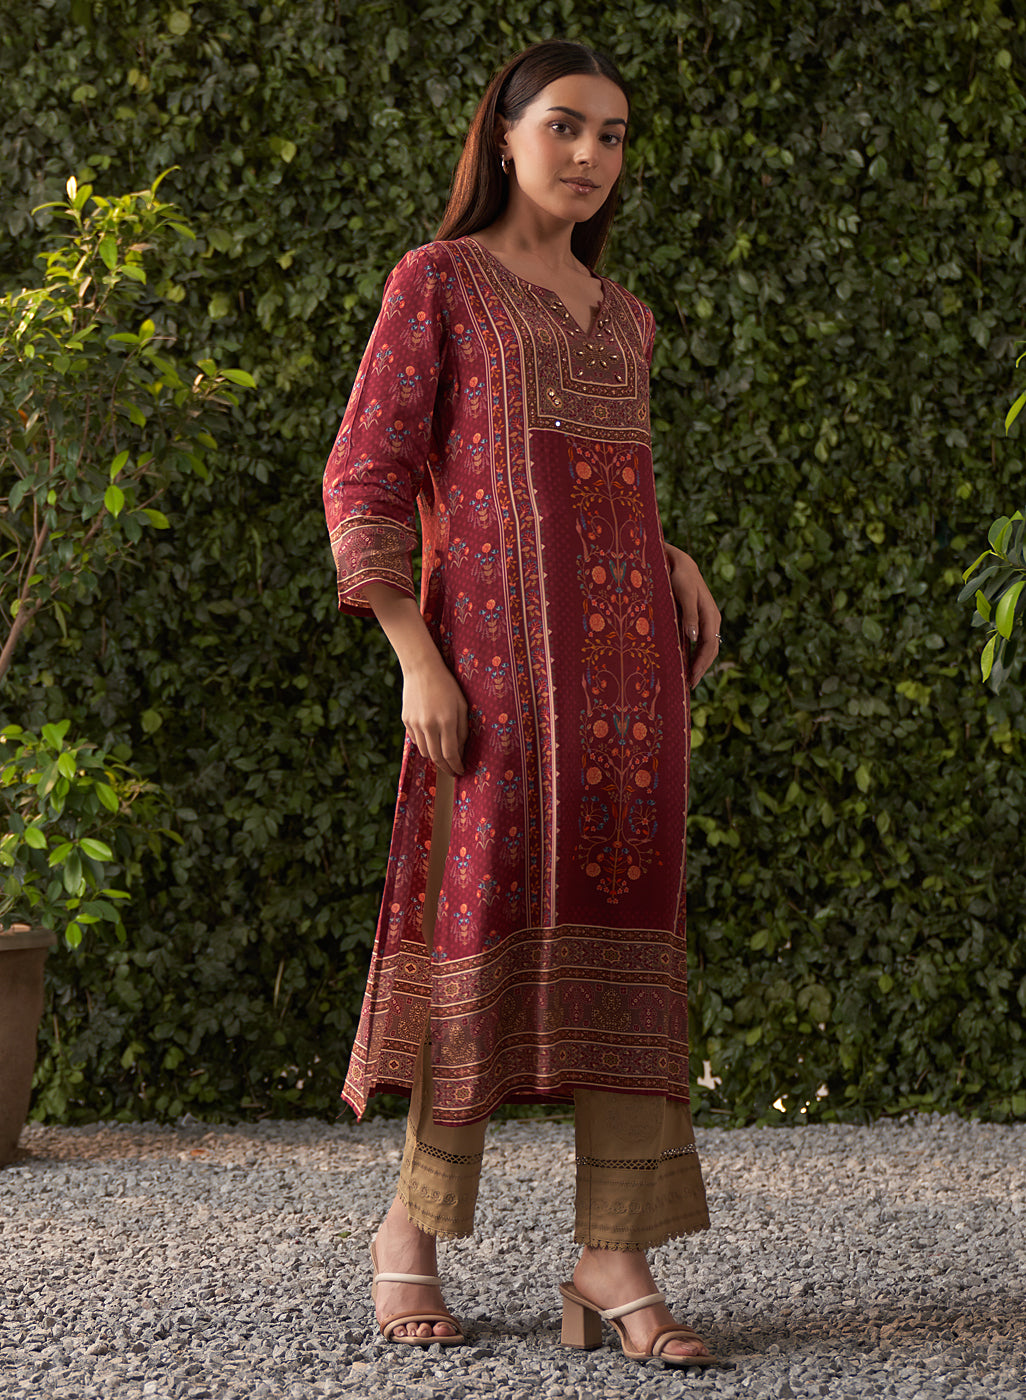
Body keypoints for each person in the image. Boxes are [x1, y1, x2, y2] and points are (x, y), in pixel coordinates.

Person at [322, 39, 722, 1370]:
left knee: (627, 946)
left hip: (628, 690)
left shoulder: (625, 316)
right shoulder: (437, 282)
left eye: (613, 135)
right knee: (471, 940)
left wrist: (669, 556)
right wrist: (412, 656)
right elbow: (366, 473)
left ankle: (612, 1258)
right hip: (485, 678)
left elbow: (593, 480)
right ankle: (410, 1233)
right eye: (565, 126)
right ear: (503, 135)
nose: (591, 155)